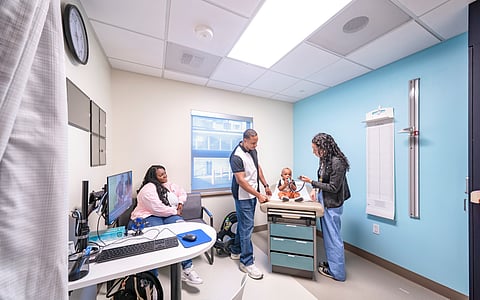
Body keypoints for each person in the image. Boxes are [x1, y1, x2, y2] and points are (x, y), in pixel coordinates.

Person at [129, 165, 203, 284]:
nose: (165, 176)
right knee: (154, 239)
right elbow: (157, 208)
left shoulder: (167, 185)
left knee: (182, 231)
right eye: (161, 175)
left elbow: (181, 192)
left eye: (165, 173)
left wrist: (180, 203)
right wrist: (175, 211)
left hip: (166, 214)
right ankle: (151, 280)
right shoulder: (147, 189)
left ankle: (188, 268)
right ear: (154, 177)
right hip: (147, 216)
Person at [298, 133, 351, 281]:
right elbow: (323, 178)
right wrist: (316, 191)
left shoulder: (337, 162)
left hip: (332, 203)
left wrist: (311, 182)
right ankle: (333, 265)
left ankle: (338, 273)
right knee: (329, 237)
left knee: (333, 238)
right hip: (325, 199)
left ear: (324, 147)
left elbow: (333, 187)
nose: (313, 152)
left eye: (315, 149)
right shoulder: (325, 160)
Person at [229, 129, 272, 280]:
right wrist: (258, 195)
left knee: (244, 224)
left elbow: (257, 168)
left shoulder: (252, 150)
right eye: (253, 143)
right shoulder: (236, 156)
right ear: (244, 140)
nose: (256, 145)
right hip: (243, 196)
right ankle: (246, 262)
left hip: (253, 193)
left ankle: (235, 250)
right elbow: (241, 181)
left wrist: (265, 185)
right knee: (248, 227)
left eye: (256, 142)